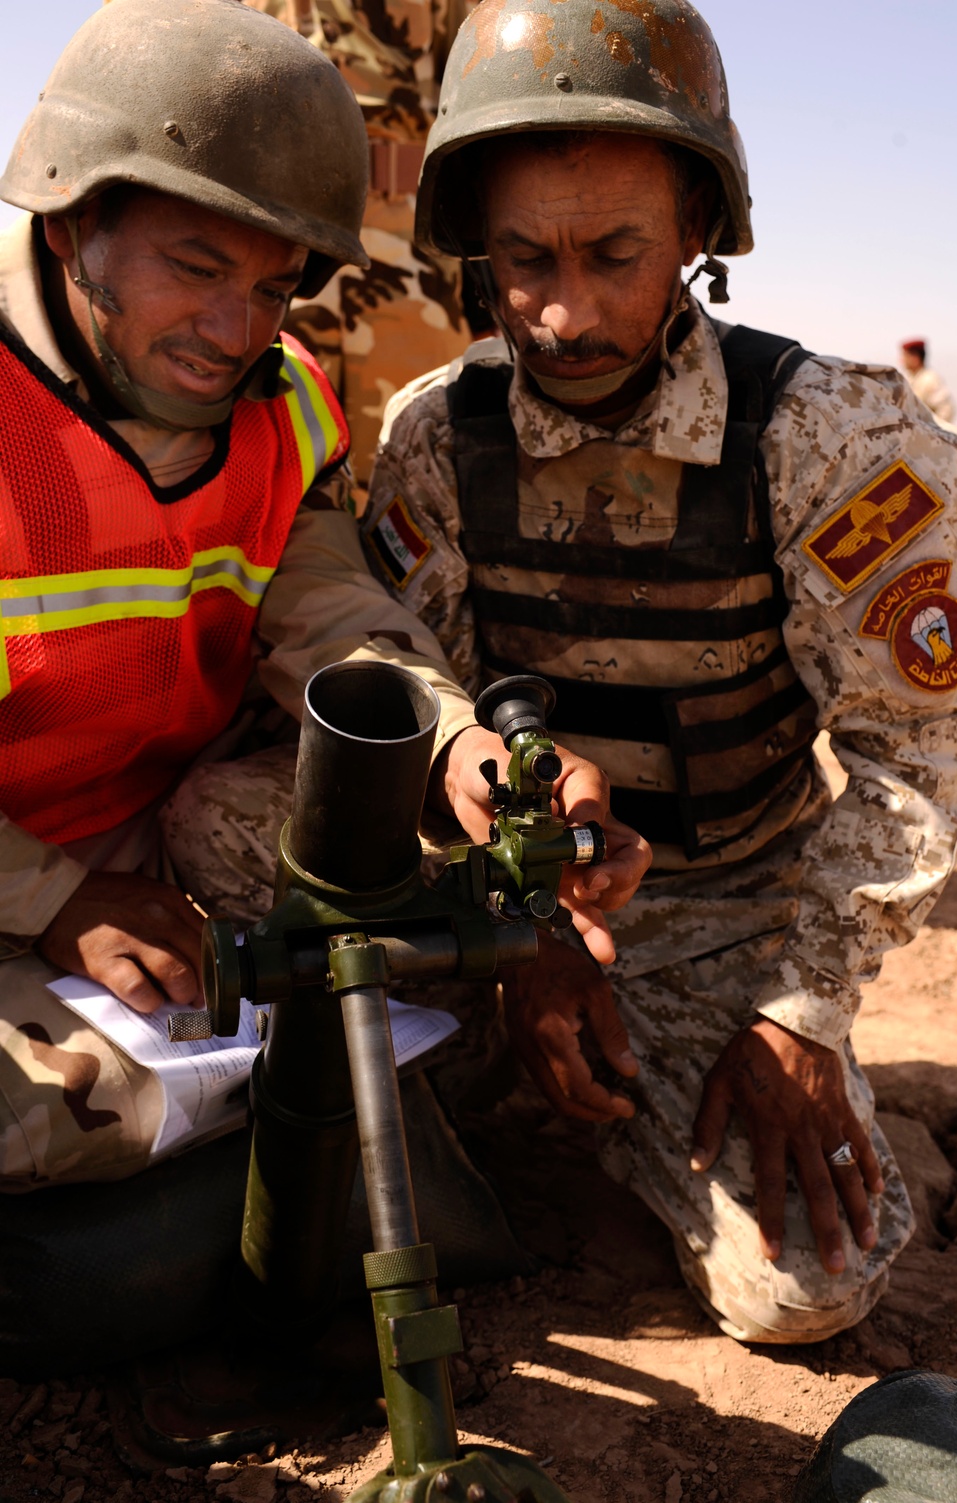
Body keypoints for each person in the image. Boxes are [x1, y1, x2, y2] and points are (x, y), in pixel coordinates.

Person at [363, 0, 957, 1344]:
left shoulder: (829, 438)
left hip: (737, 908)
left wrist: (799, 1007)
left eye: (614, 253)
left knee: (805, 1292)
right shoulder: (434, 438)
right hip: (508, 899)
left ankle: (702, 1076)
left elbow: (917, 759)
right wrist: (528, 930)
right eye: (524, 256)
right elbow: (429, 717)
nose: (562, 309)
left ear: (701, 232)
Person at [0, 0, 645, 1194]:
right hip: (32, 869)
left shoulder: (284, 400)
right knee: (50, 1115)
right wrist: (50, 897)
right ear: (78, 218)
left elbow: (328, 612)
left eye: (274, 288)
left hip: (138, 846)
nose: (231, 331)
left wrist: (453, 741)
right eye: (194, 269)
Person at [239, 0, 478, 496]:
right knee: (263, 478)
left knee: (420, 484)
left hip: (412, 272)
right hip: (259, 251)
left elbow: (487, 80)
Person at [900, 338, 957, 427]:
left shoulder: (930, 379)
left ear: (915, 358)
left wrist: (934, 431)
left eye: (905, 356)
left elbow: (946, 409)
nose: (902, 361)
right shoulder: (910, 379)